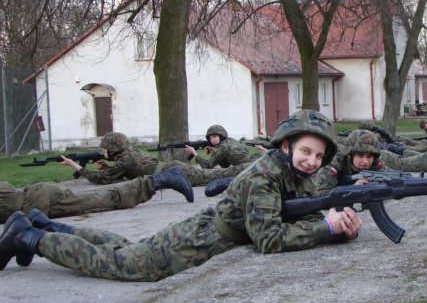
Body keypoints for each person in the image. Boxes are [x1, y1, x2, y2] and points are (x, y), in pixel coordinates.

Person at [0, 110, 362, 280]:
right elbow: (267, 239)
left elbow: (302, 214)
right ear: (286, 145)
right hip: (202, 239)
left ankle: (43, 224)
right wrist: (324, 230)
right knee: (122, 264)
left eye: (319, 156)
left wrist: (339, 222)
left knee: (126, 248)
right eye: (306, 151)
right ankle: (30, 237)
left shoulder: (295, 172)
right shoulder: (267, 174)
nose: (312, 161)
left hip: (206, 232)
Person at [0, 167, 194, 224]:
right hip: (39, 202)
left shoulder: (126, 157)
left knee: (108, 199)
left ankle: (160, 180)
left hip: (40, 203)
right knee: (105, 197)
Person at [60, 132, 249, 187]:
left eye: (105, 149)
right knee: (212, 174)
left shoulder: (125, 160)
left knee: (215, 175)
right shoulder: (128, 154)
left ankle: (248, 169)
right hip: (171, 168)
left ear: (115, 149)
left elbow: (102, 180)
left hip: (172, 172)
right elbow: (118, 172)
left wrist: (75, 166)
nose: (102, 151)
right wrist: (107, 166)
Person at [313, 129, 385, 195]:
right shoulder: (334, 161)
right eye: (360, 155)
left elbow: (388, 179)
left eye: (369, 156)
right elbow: (320, 192)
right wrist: (351, 189)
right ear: (349, 155)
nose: (365, 161)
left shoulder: (376, 162)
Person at [184, 125, 254, 169]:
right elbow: (225, 165)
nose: (212, 140)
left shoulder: (223, 147)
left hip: (249, 167)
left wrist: (194, 152)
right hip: (252, 163)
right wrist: (213, 152)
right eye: (210, 138)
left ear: (221, 136)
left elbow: (207, 166)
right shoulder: (230, 140)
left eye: (214, 137)